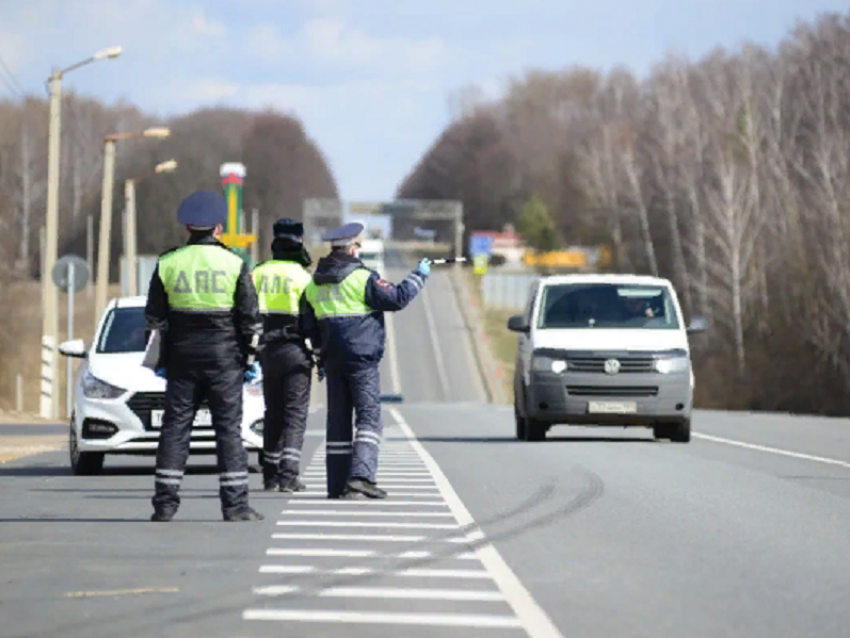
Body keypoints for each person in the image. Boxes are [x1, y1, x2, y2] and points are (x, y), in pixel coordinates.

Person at [145, 190, 264, 523]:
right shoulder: (235, 263)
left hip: (182, 361)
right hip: (225, 361)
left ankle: (165, 505)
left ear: (187, 229)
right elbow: (251, 321)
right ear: (218, 228)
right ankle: (235, 506)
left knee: (175, 429)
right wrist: (251, 360)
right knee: (227, 430)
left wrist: (162, 359)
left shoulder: (167, 263)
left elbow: (153, 318)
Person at [303, 222, 431, 500]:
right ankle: (361, 478)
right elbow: (396, 298)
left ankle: (337, 484)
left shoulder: (313, 284)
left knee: (337, 422)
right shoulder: (362, 278)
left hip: (333, 361)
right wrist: (418, 276)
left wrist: (319, 355)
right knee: (369, 418)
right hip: (361, 359)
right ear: (352, 248)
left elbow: (308, 326)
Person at [252, 218, 314, 492]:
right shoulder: (302, 276)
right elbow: (312, 317)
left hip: (265, 349)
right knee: (296, 414)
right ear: (299, 240)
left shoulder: (259, 272)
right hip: (295, 348)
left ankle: (270, 474)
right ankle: (289, 476)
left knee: (272, 412)